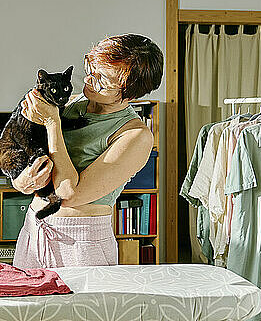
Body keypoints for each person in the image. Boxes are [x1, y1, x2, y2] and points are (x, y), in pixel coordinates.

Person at [12, 34, 163, 268]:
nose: (90, 79)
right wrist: (21, 182)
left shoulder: (136, 135)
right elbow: (24, 162)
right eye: (91, 67)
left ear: (131, 94)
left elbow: (70, 195)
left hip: (81, 241)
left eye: (103, 80)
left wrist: (53, 124)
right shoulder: (68, 104)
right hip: (35, 229)